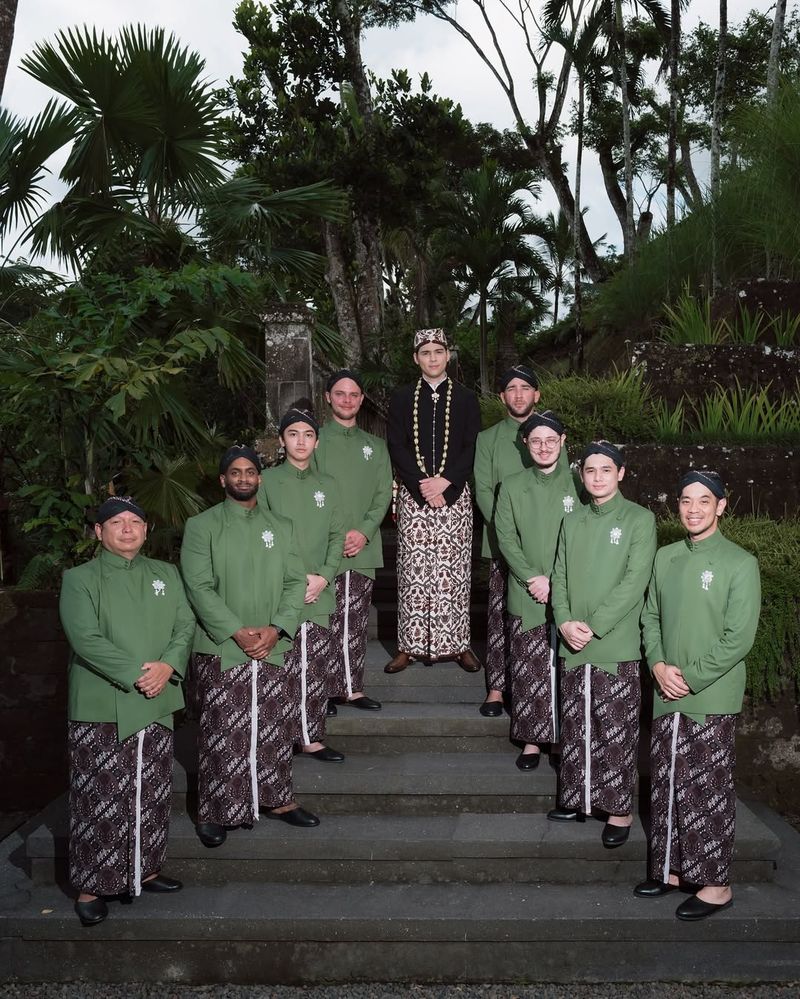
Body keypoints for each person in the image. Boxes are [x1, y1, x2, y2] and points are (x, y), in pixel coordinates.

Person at [59, 496, 194, 926]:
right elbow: (85, 638)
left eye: (136, 521)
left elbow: (184, 624)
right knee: (99, 796)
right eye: (116, 522)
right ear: (99, 532)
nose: (128, 528)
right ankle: (91, 885)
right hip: (103, 703)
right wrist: (139, 674)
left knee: (151, 790)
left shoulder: (165, 573)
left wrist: (169, 665)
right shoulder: (79, 579)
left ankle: (145, 867)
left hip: (157, 698)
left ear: (146, 530)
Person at [635, 470, 761, 921]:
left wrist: (690, 677)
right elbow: (650, 617)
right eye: (686, 500)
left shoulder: (739, 562)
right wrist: (658, 665)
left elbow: (739, 637)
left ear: (721, 506)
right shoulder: (666, 557)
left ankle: (715, 884)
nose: (693, 509)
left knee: (707, 788)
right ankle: (670, 870)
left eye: (703, 501)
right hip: (667, 687)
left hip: (710, 694)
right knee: (667, 780)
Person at [181, 444, 317, 849]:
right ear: (223, 479)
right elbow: (198, 586)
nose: (243, 478)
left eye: (250, 472)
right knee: (222, 729)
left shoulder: (283, 525)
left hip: (274, 643)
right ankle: (215, 810)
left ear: (260, 477)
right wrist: (237, 631)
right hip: (222, 645)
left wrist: (277, 628)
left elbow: (296, 582)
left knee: (275, 723)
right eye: (235, 472)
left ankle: (277, 799)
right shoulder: (201, 526)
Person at [549, 441, 657, 847]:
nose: (597, 477)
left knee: (615, 729)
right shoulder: (572, 519)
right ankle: (580, 798)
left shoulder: (639, 519)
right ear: (582, 475)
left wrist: (592, 626)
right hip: (572, 639)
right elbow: (558, 574)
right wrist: (563, 620)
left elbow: (634, 582)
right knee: (577, 724)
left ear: (621, 473)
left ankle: (618, 810)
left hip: (614, 642)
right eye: (590, 470)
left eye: (605, 470)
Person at [384, 327, 482, 674]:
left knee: (454, 572)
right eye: (425, 353)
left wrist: (447, 483)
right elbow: (396, 445)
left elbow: (472, 447)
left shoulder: (467, 398)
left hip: (454, 496)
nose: (432, 358)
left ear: (447, 355)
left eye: (438, 352)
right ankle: (408, 646)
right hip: (415, 496)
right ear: (416, 358)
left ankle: (458, 645)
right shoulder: (400, 397)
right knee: (414, 571)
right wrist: (422, 486)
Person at [494, 411, 582, 770]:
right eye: (536, 441)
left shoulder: (579, 483)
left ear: (563, 443)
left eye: (551, 440)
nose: (543, 447)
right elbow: (506, 537)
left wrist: (558, 582)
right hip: (527, 587)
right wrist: (533, 577)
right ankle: (531, 739)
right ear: (525, 444)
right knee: (530, 666)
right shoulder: (512, 486)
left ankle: (563, 739)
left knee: (566, 667)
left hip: (572, 590)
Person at [261, 407, 347, 761]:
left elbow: (337, 535)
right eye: (293, 434)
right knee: (283, 664)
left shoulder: (328, 485)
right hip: (281, 588)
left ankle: (311, 735)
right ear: (282, 440)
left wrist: (324, 575)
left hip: (319, 588)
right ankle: (278, 736)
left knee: (313, 665)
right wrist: (299, 578)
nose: (301, 441)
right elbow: (263, 533)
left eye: (308, 435)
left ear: (317, 441)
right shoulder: (266, 481)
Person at [315, 370, 392, 714]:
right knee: (325, 617)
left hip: (363, 545)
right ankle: (325, 689)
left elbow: (382, 496)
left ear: (361, 400)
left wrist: (362, 531)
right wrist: (333, 536)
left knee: (356, 619)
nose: (347, 399)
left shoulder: (374, 446)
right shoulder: (313, 440)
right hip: (322, 548)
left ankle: (352, 687)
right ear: (328, 397)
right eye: (340, 393)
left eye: (354, 394)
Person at [473, 365, 540, 716]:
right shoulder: (488, 439)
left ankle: (532, 686)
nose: (518, 394)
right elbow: (483, 490)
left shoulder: (547, 434)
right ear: (502, 397)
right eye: (511, 388)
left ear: (536, 395)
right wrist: (505, 533)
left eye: (525, 387)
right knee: (500, 614)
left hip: (544, 545)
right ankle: (497, 687)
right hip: (501, 541)